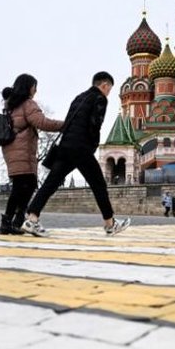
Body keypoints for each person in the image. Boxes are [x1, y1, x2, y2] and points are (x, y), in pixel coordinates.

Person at [22, 71, 130, 237]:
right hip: (82, 147)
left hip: (66, 146)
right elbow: (95, 124)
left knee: (51, 182)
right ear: (104, 85)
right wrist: (93, 145)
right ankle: (110, 224)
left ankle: (32, 218)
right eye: (109, 89)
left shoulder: (79, 97)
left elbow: (69, 122)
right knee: (98, 184)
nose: (109, 92)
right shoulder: (100, 98)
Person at [0, 74, 64, 235]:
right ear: (29, 87)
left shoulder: (11, 104)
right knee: (24, 186)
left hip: (11, 149)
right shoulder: (28, 104)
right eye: (35, 86)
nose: (36, 90)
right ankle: (12, 222)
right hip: (22, 150)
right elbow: (42, 122)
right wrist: (65, 125)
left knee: (22, 186)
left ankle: (13, 222)